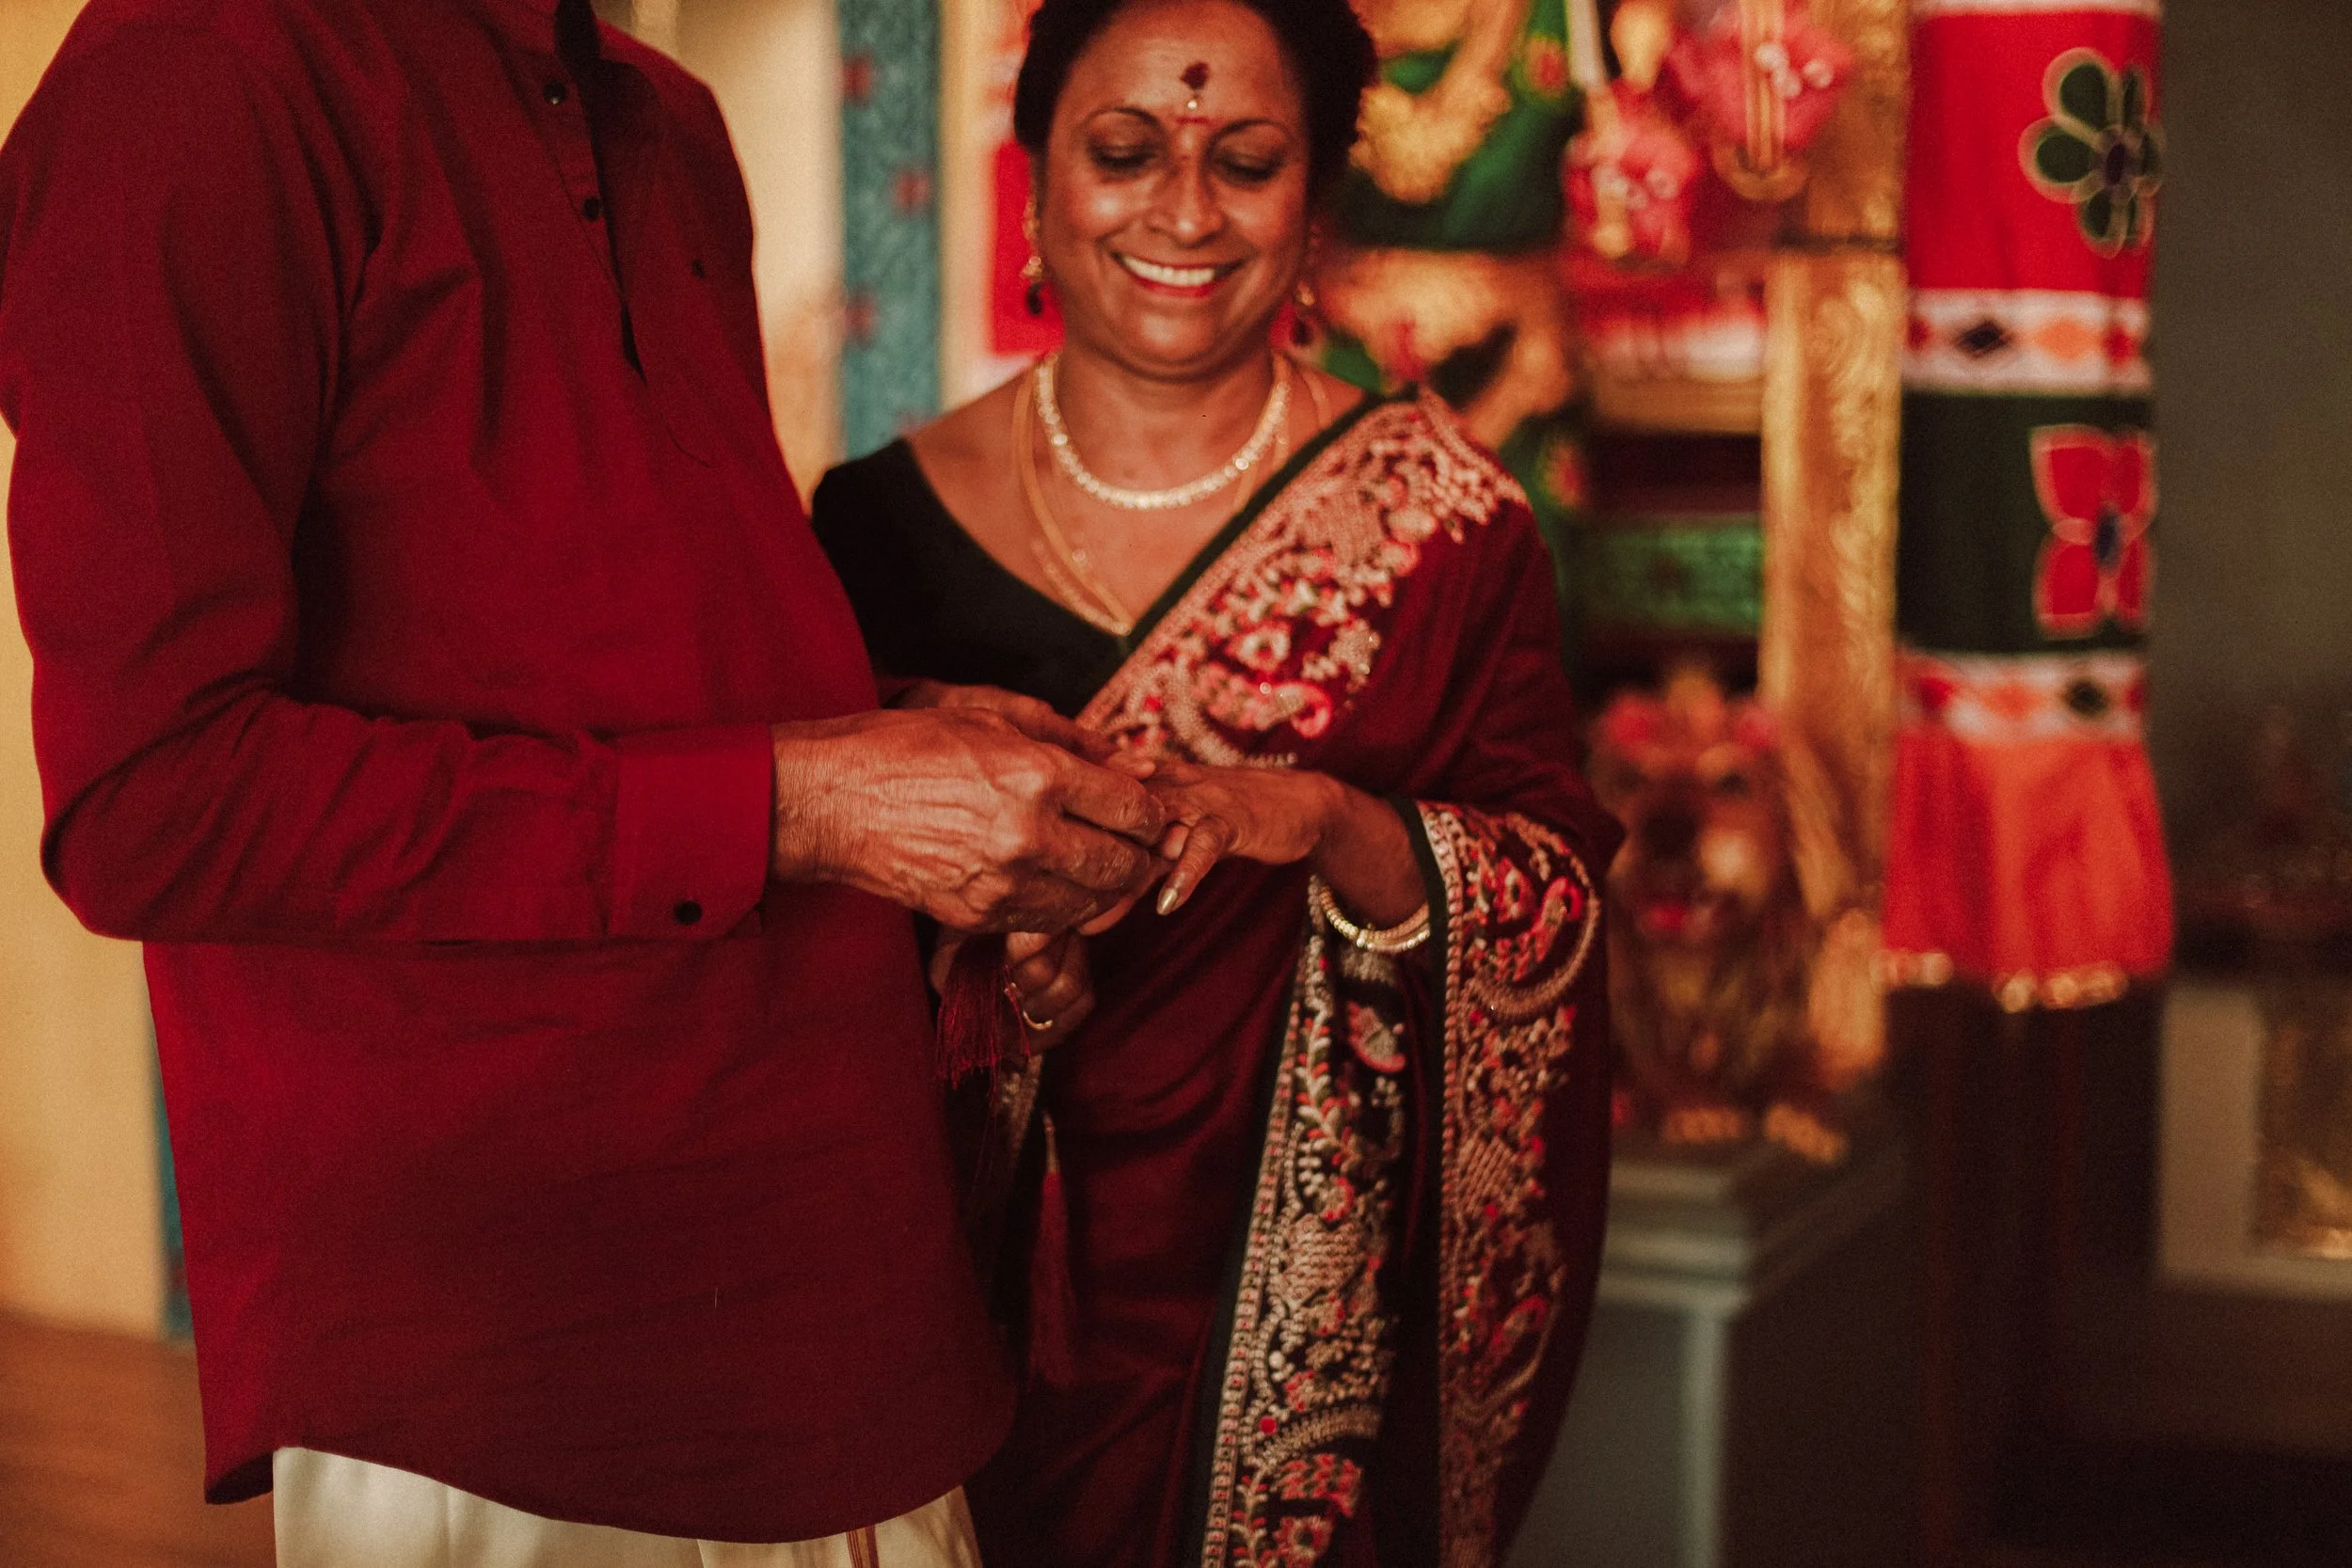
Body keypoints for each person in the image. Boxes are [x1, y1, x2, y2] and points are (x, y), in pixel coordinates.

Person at [0, 0, 1169, 1562]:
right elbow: (156, 800)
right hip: (513, 1351)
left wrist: (902, 740)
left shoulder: (664, 118)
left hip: (840, 1272)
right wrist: (814, 800)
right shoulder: (198, 73)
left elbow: (588, 655)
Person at [809, 1, 1623, 1562]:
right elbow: (798, 912)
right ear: (1035, 178)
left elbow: (1556, 909)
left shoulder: (1448, 530)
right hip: (939, 1287)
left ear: (1315, 212)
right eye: (1124, 153)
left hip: (1299, 1325)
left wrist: (1329, 823)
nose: (1182, 213)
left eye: (1245, 163)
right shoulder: (872, 528)